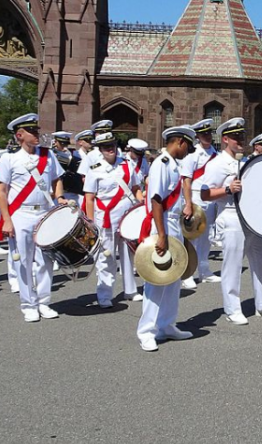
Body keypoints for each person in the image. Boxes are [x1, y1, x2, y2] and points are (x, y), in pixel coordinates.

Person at [200, 117, 262, 324]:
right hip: (232, 215)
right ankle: (232, 308)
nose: (240, 140)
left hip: (252, 218)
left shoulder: (245, 161)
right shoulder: (217, 164)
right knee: (232, 265)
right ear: (225, 139)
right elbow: (205, 194)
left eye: (242, 136)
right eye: (235, 137)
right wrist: (227, 189)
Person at [0, 113, 64, 323]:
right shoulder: (9, 158)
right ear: (19, 135)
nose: (36, 134)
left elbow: (56, 179)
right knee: (23, 261)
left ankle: (44, 301)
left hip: (43, 211)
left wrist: (59, 197)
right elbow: (1, 190)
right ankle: (28, 304)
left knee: (46, 260)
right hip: (21, 213)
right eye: (31, 132)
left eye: (36, 130)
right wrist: (6, 219)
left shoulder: (47, 155)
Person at [136, 125, 197, 351]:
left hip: (173, 223)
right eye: (188, 146)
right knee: (157, 279)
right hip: (162, 225)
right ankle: (146, 331)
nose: (188, 151)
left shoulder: (173, 164)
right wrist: (161, 235)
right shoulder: (161, 164)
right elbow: (156, 201)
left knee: (174, 278)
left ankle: (166, 325)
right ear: (180, 141)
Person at [83, 131, 144, 308]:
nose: (110, 149)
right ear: (100, 150)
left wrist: (140, 204)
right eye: (106, 147)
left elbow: (135, 188)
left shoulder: (126, 165)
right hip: (105, 218)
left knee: (128, 254)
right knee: (106, 257)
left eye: (112, 146)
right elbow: (89, 198)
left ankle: (130, 290)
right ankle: (104, 295)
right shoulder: (95, 170)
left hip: (126, 216)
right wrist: (91, 222)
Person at [180, 118, 219, 288]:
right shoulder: (192, 154)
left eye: (209, 133)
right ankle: (187, 273)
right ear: (197, 136)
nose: (208, 137)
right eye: (204, 134)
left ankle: (204, 270)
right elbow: (186, 181)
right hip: (195, 197)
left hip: (211, 198)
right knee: (192, 238)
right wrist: (188, 203)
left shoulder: (215, 154)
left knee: (207, 237)